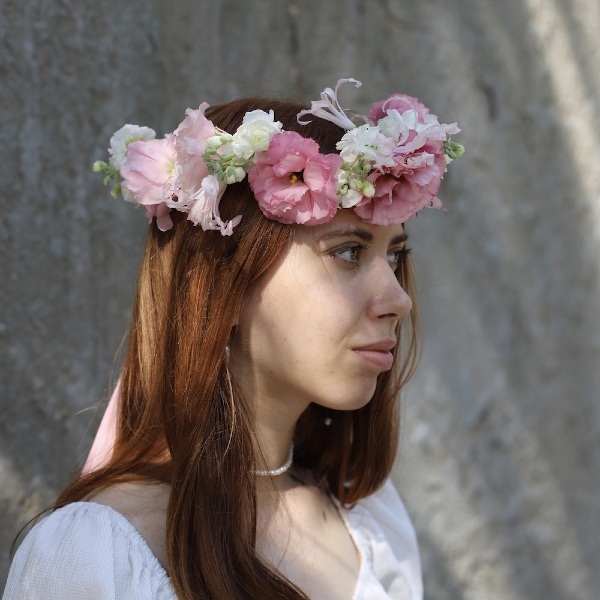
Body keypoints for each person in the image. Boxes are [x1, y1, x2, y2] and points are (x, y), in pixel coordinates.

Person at [3, 78, 463, 599]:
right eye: (347, 252)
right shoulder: (97, 553)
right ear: (226, 282)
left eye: (395, 256)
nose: (398, 298)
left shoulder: (369, 523)